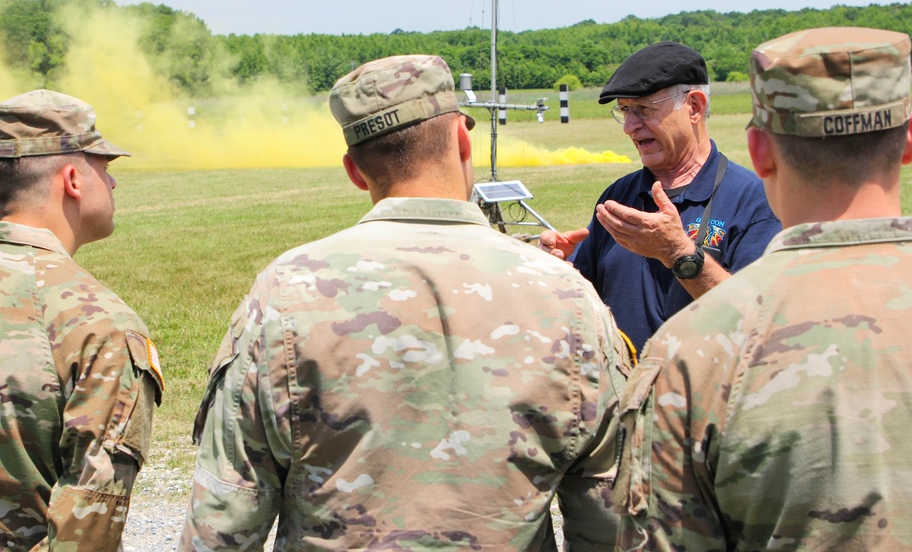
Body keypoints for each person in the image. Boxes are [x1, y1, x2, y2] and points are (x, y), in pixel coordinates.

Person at [179, 55, 631, 551]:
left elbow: (227, 512)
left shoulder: (287, 291)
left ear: (354, 171)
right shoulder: (566, 296)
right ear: (463, 139)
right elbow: (612, 516)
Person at [614, 26, 912, 549]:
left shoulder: (697, 352)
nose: (632, 124)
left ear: (760, 150)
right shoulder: (625, 195)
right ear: (908, 143)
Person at [0, 90, 164, 550]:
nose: (112, 183)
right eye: (104, 167)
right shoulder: (99, 325)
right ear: (72, 178)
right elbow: (88, 529)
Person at [540, 42, 780, 351]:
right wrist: (559, 272)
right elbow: (586, 304)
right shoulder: (618, 197)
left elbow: (758, 319)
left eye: (643, 110)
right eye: (625, 110)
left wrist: (679, 253)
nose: (629, 127)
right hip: (623, 395)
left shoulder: (754, 199)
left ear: (694, 106)